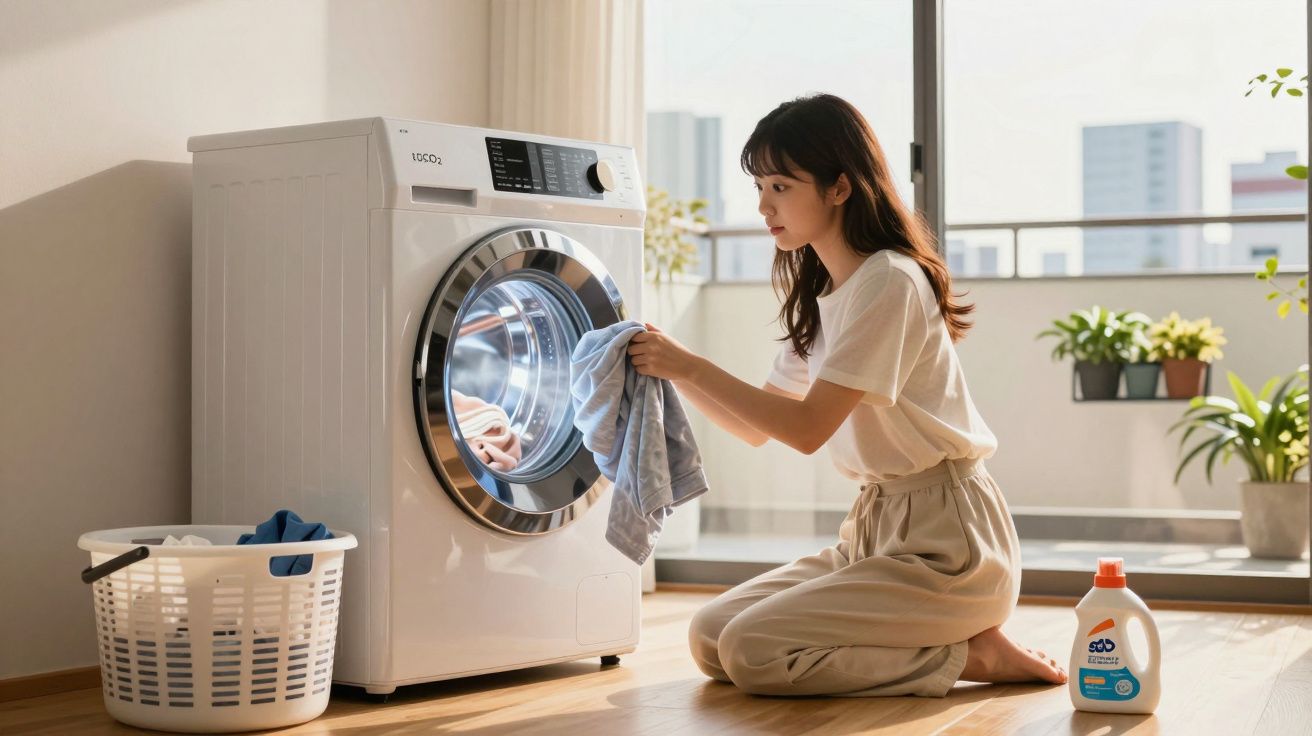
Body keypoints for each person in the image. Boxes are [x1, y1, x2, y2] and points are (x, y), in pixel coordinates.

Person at [626, 93, 1068, 697]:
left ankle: (967, 656)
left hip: (948, 546)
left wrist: (694, 367)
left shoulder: (890, 280)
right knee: (711, 635)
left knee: (752, 651)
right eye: (760, 185)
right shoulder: (826, 295)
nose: (763, 205)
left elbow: (808, 430)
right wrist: (671, 369)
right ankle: (952, 644)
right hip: (872, 531)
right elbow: (758, 424)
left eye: (780, 185)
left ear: (840, 188)